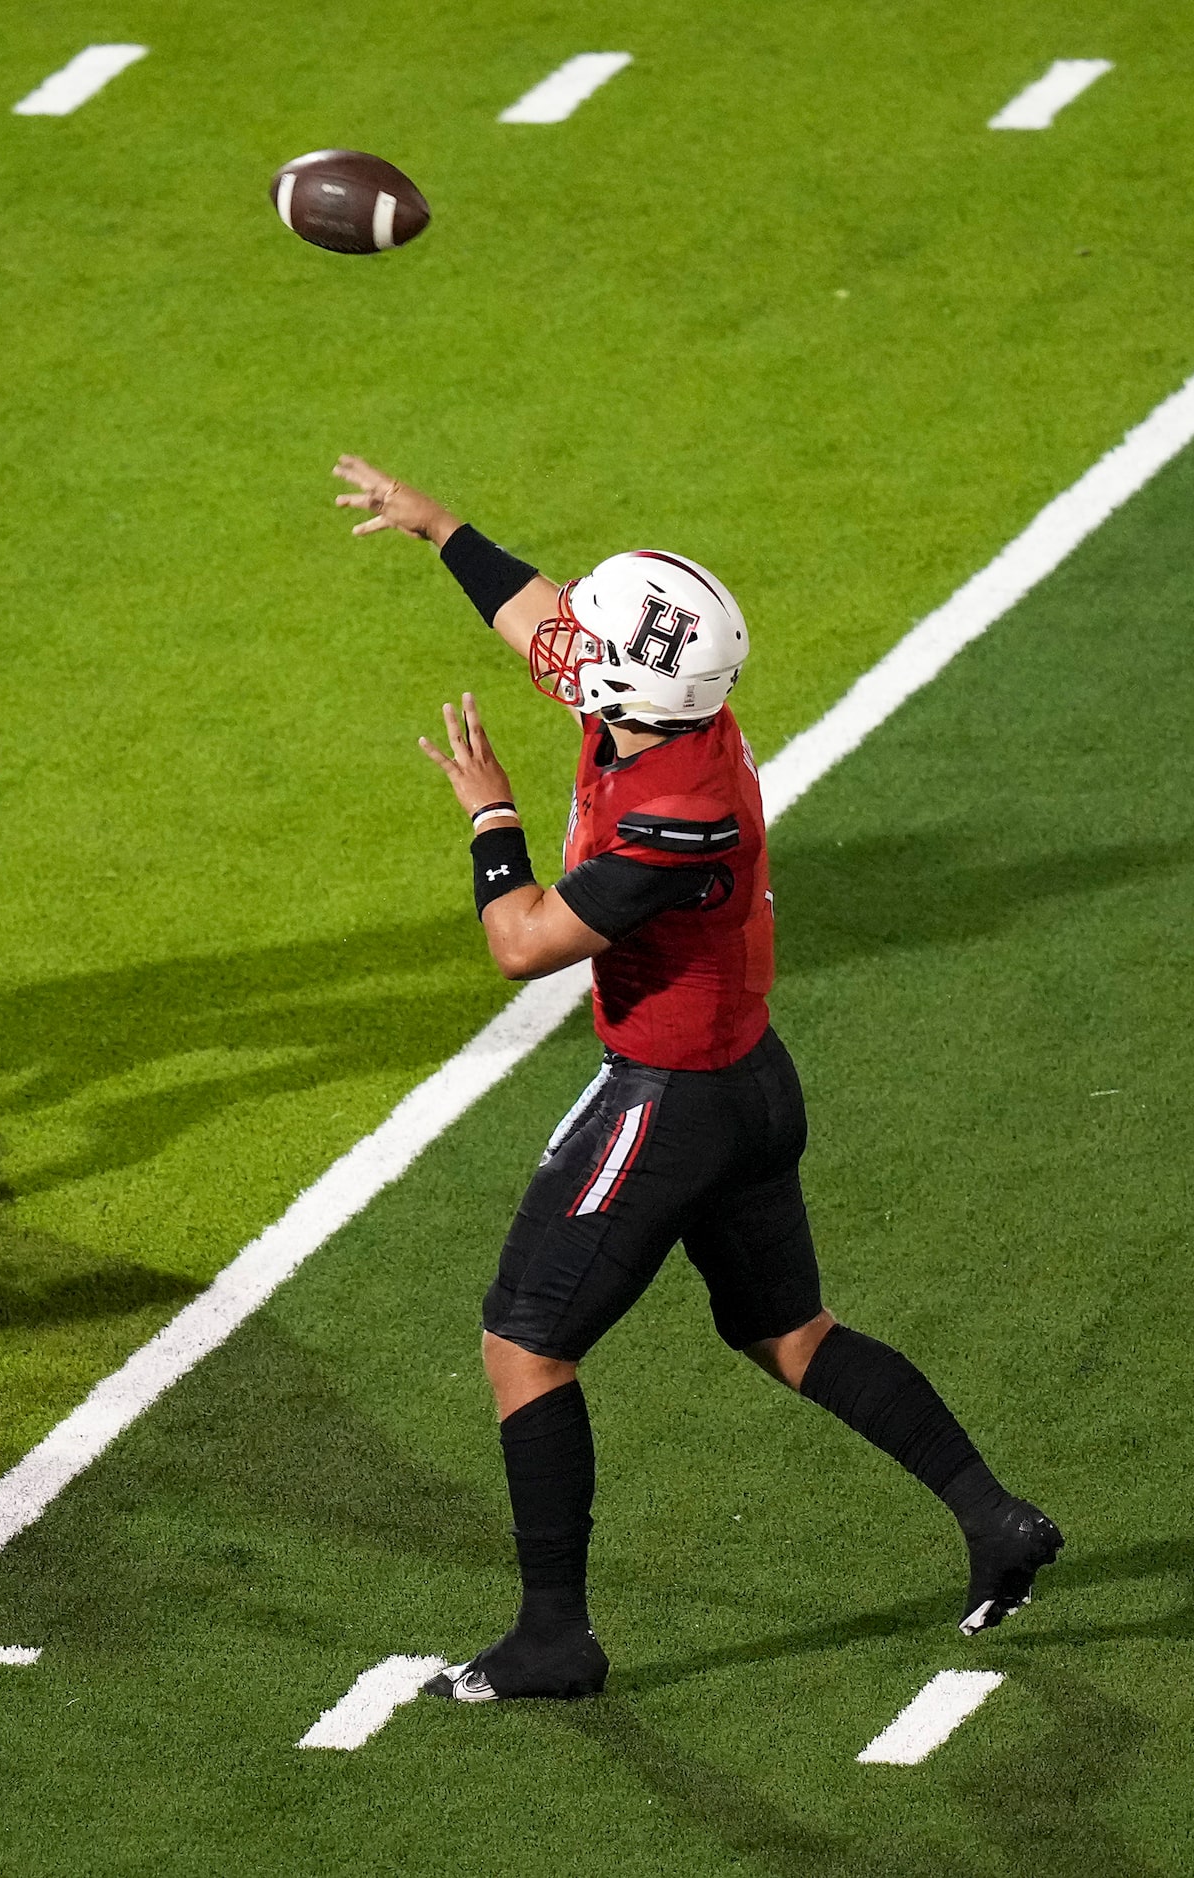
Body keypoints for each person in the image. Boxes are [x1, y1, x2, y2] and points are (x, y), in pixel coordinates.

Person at [333, 455, 1064, 1701]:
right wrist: (435, 524)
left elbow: (522, 947)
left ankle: (555, 1636)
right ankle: (996, 1519)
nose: (568, 644)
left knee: (525, 1345)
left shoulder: (676, 813)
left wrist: (488, 816)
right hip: (745, 1080)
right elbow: (545, 621)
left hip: (673, 1096)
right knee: (787, 1332)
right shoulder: (663, 708)